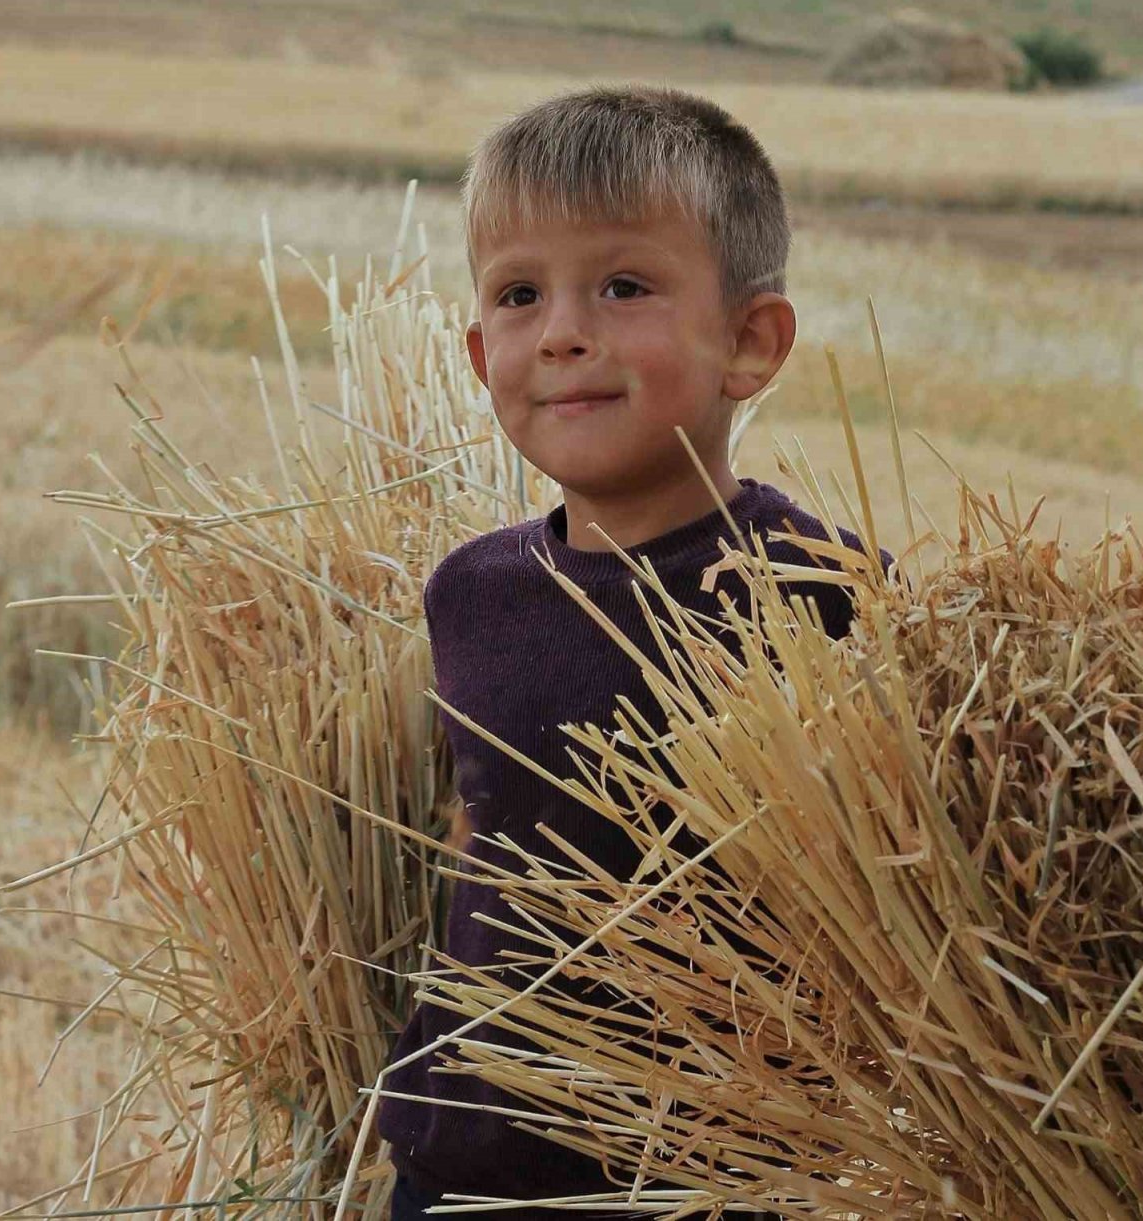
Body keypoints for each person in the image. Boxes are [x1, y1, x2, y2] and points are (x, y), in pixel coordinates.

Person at [378, 82, 892, 1220]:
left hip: (700, 1186)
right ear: (478, 351)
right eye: (519, 294)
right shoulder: (471, 592)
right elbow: (483, 838)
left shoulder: (825, 597)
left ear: (749, 343)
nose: (561, 330)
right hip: (454, 1171)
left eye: (622, 286)